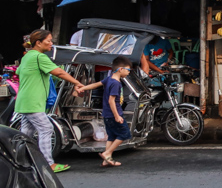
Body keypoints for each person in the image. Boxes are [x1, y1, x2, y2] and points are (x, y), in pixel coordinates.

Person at [15, 29, 85, 173]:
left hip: (25, 100)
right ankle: (48, 164)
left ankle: (19, 161)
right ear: (38, 42)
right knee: (46, 129)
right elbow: (58, 72)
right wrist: (77, 83)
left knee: (26, 134)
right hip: (32, 101)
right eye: (48, 40)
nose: (51, 43)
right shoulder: (39, 57)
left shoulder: (27, 56)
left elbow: (18, 72)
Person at [78, 57, 133, 167]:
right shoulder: (116, 83)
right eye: (128, 70)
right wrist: (117, 116)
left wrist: (83, 88)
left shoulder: (109, 79)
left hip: (107, 114)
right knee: (124, 134)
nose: (128, 72)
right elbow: (111, 101)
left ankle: (107, 159)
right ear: (120, 69)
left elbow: (95, 84)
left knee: (111, 136)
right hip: (114, 114)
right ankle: (107, 153)